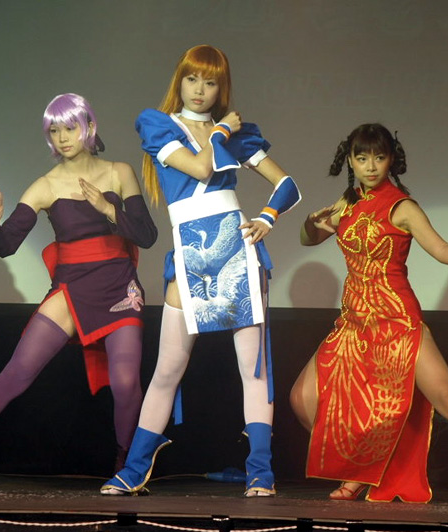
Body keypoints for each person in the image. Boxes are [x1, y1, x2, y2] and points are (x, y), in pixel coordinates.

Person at [0, 93, 157, 492]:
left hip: (119, 285)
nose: (62, 137)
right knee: (16, 373)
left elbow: (147, 235)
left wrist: (108, 209)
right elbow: (5, 245)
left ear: (89, 127)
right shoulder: (45, 186)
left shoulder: (120, 172)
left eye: (69, 128)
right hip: (72, 286)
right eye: (54, 130)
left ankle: (126, 468)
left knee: (125, 381)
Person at [101, 45, 301, 498]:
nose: (200, 89)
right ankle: (135, 468)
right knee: (167, 370)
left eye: (210, 82)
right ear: (180, 80)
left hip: (238, 249)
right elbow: (200, 166)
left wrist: (267, 217)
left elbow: (287, 184)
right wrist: (220, 132)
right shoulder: (158, 123)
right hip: (189, 252)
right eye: (192, 79)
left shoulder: (237, 134)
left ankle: (260, 472)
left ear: (220, 87)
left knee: (253, 371)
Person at [289, 123, 448, 506]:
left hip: (396, 321)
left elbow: (441, 249)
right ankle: (361, 468)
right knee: (302, 398)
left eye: (379, 158)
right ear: (350, 161)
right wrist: (308, 224)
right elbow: (308, 239)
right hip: (354, 323)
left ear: (391, 160)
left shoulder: (402, 207)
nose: (370, 166)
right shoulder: (347, 203)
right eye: (362, 158)